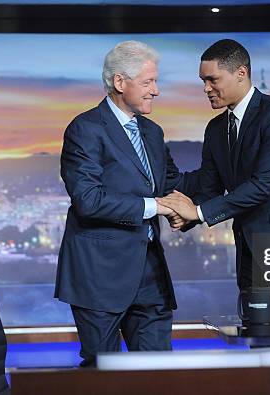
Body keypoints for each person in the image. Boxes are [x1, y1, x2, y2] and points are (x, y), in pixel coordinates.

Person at [158, 39, 270, 330]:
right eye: (203, 81)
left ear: (241, 73)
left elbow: (262, 186)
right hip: (251, 256)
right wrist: (180, 212)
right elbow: (209, 188)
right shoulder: (215, 129)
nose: (206, 89)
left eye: (212, 79)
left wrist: (197, 213)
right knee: (261, 346)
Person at [54, 40, 187, 364]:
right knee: (104, 376)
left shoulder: (153, 132)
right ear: (119, 82)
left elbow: (173, 184)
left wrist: (225, 183)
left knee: (159, 373)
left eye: (156, 81)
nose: (155, 91)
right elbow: (89, 200)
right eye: (148, 82)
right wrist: (155, 206)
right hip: (100, 277)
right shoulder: (85, 129)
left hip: (151, 275)